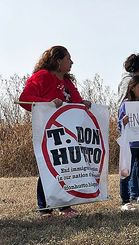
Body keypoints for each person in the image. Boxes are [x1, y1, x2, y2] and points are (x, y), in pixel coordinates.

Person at [19, 45, 91, 218]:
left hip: (68, 132)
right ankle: (44, 208)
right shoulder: (42, 77)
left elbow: (76, 102)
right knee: (48, 167)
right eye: (68, 58)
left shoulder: (67, 82)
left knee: (66, 167)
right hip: (48, 131)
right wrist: (48, 102)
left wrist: (84, 104)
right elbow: (24, 100)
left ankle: (64, 206)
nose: (72, 62)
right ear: (58, 61)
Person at [117, 53, 139, 203]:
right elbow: (121, 117)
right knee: (127, 171)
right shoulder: (126, 96)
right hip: (131, 142)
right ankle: (127, 198)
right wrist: (123, 122)